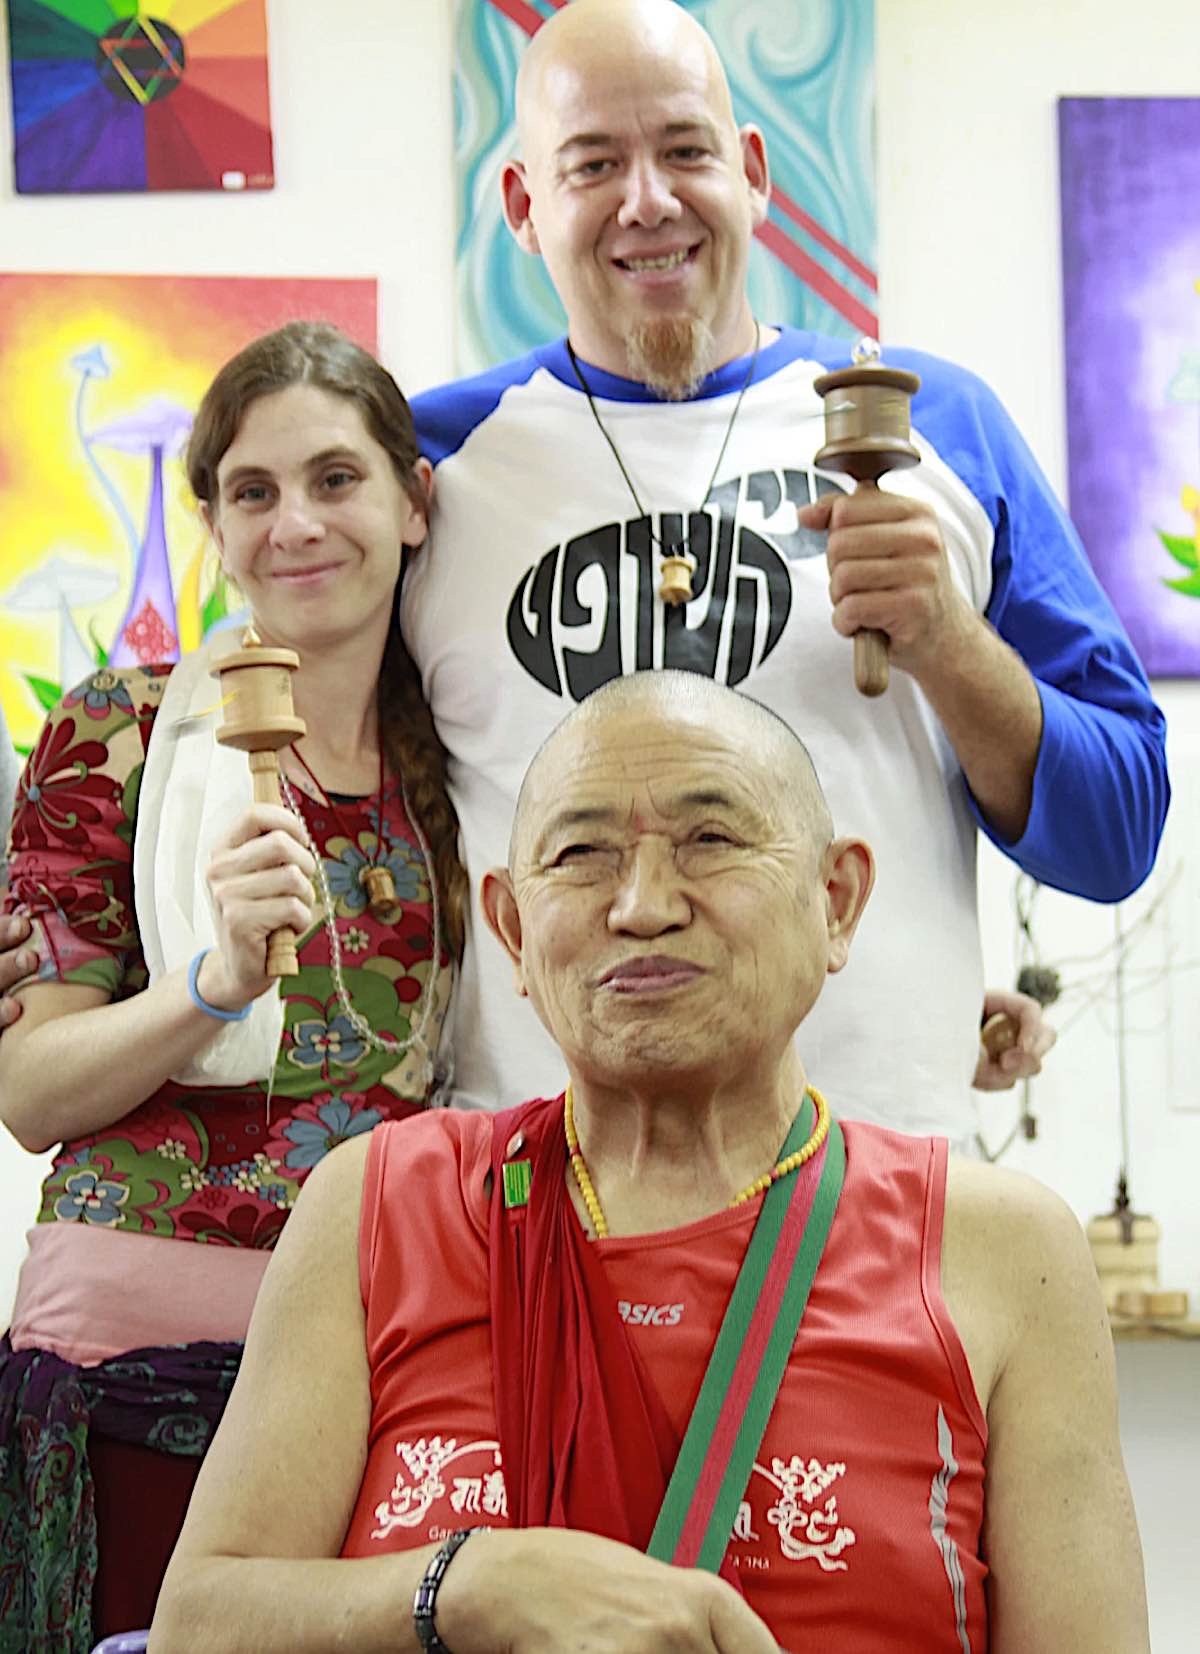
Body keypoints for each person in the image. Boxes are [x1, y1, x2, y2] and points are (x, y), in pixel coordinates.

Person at [149, 673, 1150, 1654]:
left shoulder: (1004, 1252)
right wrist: (465, 1584)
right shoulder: (382, 1201)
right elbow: (197, 1625)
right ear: (511, 929)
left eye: (710, 839)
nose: (642, 904)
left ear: (836, 900)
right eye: (582, 854)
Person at [393, 0, 1166, 1139]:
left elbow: (1117, 835)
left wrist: (948, 643)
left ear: (752, 172)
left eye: (685, 150)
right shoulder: (429, 469)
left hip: (886, 1188)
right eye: (593, 162)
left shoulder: (935, 423)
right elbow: (310, 786)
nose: (647, 198)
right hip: (541, 1196)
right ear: (522, 203)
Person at [0, 322, 466, 1651]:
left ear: (413, 501)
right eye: (252, 492)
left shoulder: (466, 767)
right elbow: (31, 1088)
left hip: (371, 1380)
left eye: (336, 478)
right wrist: (207, 985)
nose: (297, 523)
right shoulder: (120, 729)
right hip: (118, 1388)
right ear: (212, 524)